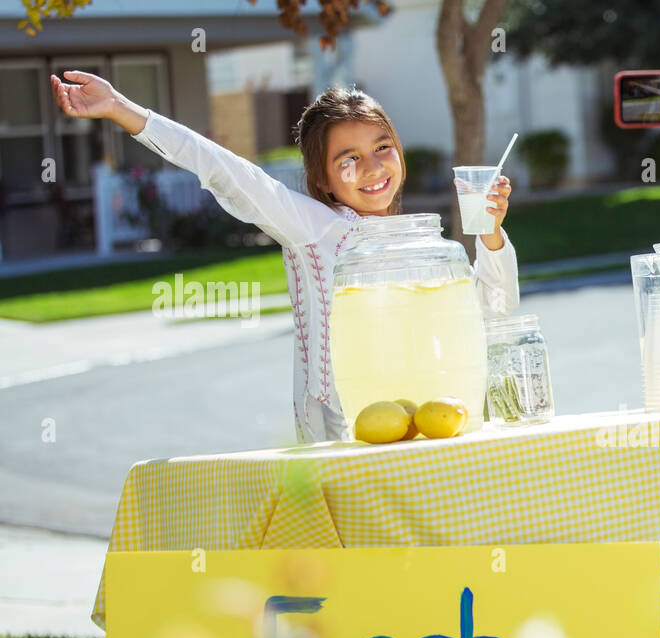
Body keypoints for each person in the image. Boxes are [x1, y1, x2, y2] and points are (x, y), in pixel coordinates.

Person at [50, 71, 520, 443]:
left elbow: (496, 312)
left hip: (431, 418)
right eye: (348, 159)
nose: (373, 167)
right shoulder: (313, 227)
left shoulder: (420, 244)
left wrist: (492, 236)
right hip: (346, 431)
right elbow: (223, 169)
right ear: (322, 178)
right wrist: (122, 109)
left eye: (382, 148)